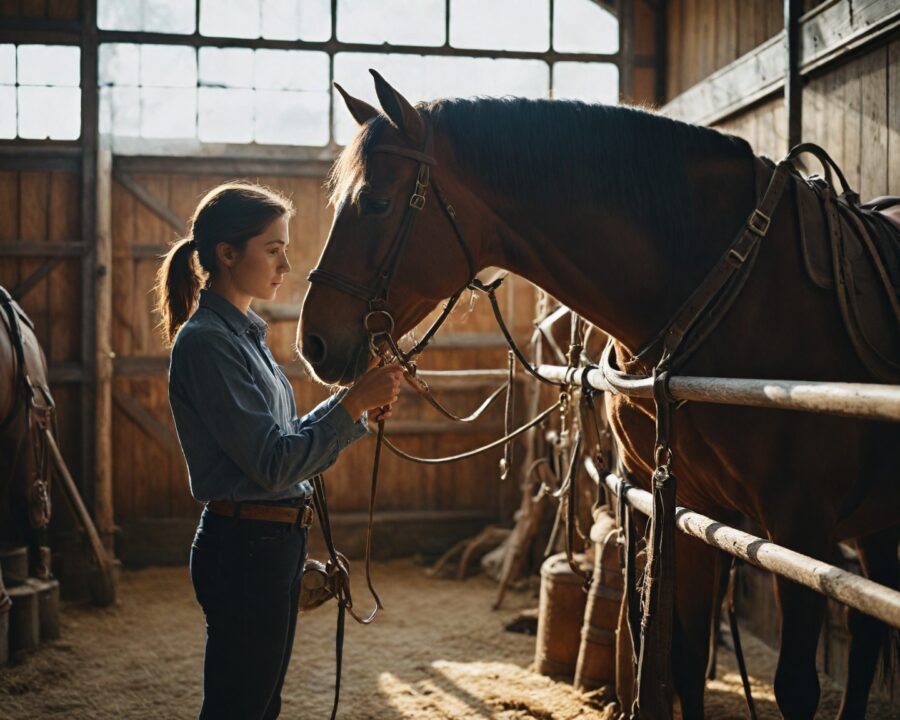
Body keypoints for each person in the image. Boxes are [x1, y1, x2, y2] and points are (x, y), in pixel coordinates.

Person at [154, 181, 402, 719]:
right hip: (246, 547)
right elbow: (273, 464)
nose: (286, 265)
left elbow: (281, 440)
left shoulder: (243, 336)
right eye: (273, 249)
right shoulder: (208, 343)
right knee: (240, 707)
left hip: (267, 543)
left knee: (260, 704)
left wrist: (351, 407)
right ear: (226, 253)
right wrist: (351, 404)